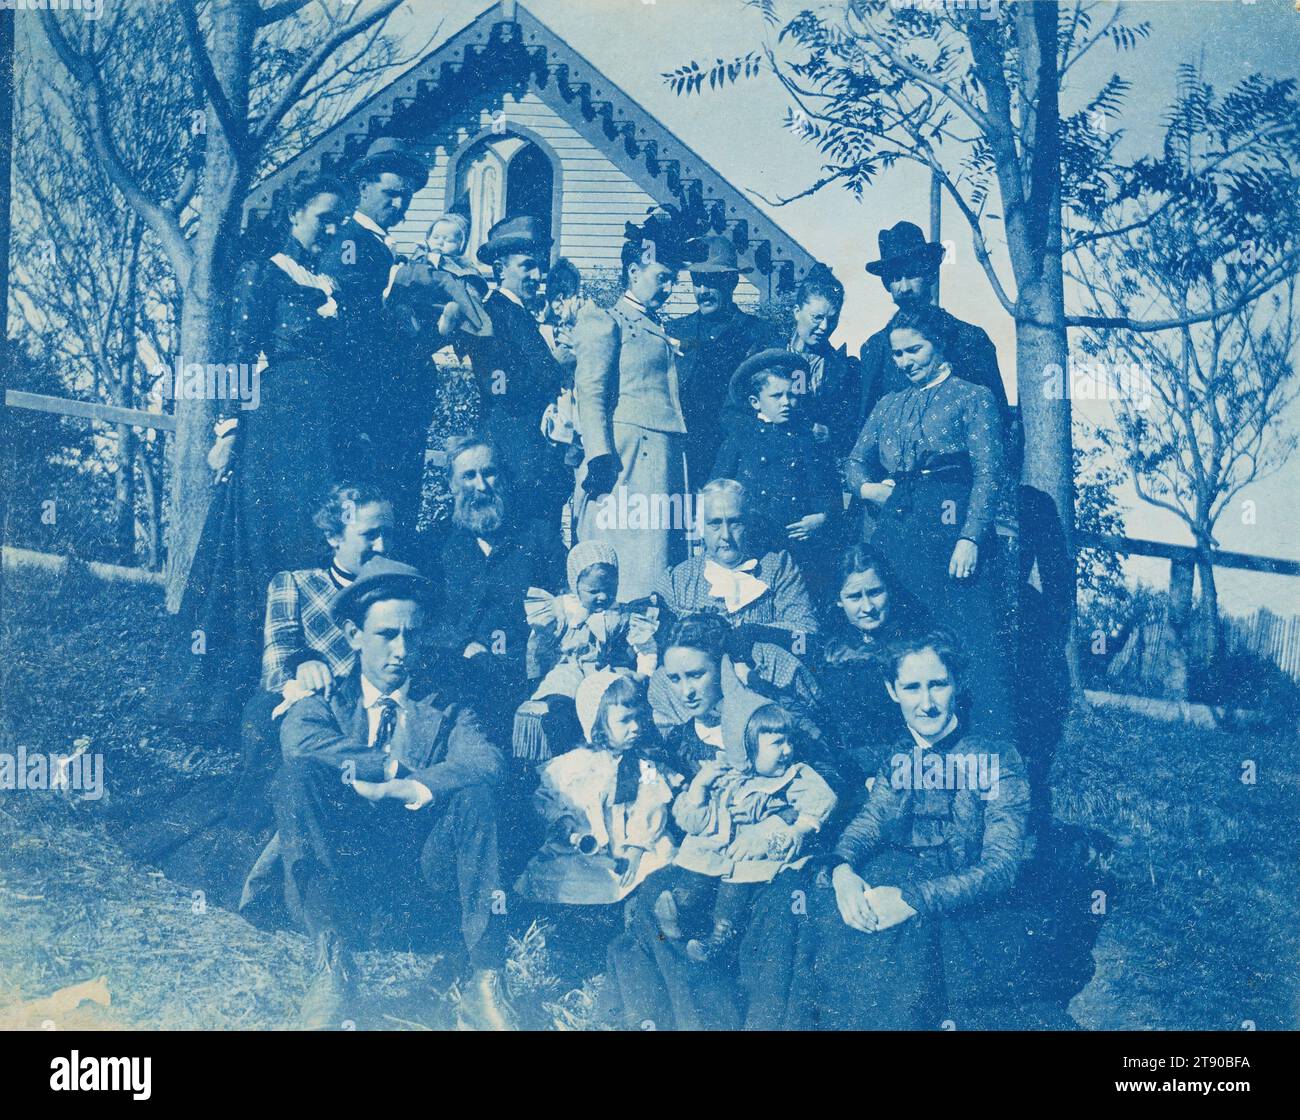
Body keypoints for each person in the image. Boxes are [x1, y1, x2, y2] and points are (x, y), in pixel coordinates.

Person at [273, 557, 515, 1031]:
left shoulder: (446, 706)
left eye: (413, 634)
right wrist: (386, 766)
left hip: (425, 873)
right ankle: (332, 965)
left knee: (476, 796)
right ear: (353, 636)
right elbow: (298, 742)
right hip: (348, 873)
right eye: (386, 634)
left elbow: (487, 763)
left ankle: (486, 976)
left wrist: (413, 785)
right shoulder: (327, 699)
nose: (402, 649)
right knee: (297, 777)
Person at [165, 176, 351, 731]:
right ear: (295, 214)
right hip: (276, 435)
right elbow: (239, 355)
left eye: (339, 219)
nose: (334, 229)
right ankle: (245, 697)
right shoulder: (265, 272)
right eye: (324, 218)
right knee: (269, 548)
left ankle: (314, 689)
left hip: (322, 435)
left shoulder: (328, 283)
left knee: (313, 543)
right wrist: (227, 430)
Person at [802, 629, 1031, 1030]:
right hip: (899, 884)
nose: (926, 704)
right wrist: (842, 871)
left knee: (892, 957)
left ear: (957, 685)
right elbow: (870, 822)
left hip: (964, 908)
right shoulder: (900, 758)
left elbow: (1001, 868)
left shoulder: (996, 759)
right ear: (893, 691)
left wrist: (912, 900)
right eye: (912, 688)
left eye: (938, 685)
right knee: (822, 917)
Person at [845, 303, 1015, 736]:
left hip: (951, 530)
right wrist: (868, 489)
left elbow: (990, 473)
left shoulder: (973, 397)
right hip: (897, 533)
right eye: (898, 355)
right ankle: (899, 745)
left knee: (966, 640)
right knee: (899, 637)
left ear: (939, 345)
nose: (905, 362)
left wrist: (972, 537)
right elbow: (854, 462)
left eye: (914, 350)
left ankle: (984, 747)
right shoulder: (888, 404)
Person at [317, 138, 437, 523]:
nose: (399, 205)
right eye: (390, 194)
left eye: (407, 197)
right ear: (364, 187)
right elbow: (353, 315)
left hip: (395, 404)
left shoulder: (381, 246)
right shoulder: (351, 242)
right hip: (368, 404)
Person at [573, 209, 691, 600]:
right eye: (662, 278)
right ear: (634, 272)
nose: (669, 289)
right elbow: (589, 392)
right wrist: (599, 455)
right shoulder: (607, 322)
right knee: (627, 552)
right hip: (626, 457)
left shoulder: (659, 329)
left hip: (664, 456)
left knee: (660, 556)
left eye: (674, 280)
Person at [667, 697, 836, 963]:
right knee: (696, 869)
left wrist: (799, 827)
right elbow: (696, 822)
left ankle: (719, 940)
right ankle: (679, 912)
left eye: (788, 741)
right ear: (747, 749)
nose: (787, 750)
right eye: (777, 743)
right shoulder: (728, 778)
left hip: (756, 854)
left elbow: (821, 798)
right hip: (720, 848)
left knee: (734, 890)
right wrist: (699, 789)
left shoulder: (791, 776)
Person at [420, 436, 564, 725]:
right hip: (456, 677)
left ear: (503, 477)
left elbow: (566, 596)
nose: (481, 486)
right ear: (451, 484)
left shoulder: (538, 537)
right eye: (469, 475)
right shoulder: (433, 545)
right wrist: (463, 645)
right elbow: (423, 614)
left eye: (489, 472)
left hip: (528, 680)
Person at [516, 670, 682, 906]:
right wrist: (563, 820)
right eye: (625, 720)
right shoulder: (575, 764)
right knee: (558, 873)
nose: (635, 727)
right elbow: (548, 799)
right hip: (588, 849)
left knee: (659, 861)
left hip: (631, 844)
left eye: (637, 718)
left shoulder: (642, 765)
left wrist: (636, 847)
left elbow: (651, 806)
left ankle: (640, 902)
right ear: (597, 724)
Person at [459, 215, 571, 524]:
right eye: (526, 266)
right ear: (500, 269)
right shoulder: (489, 315)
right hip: (509, 449)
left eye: (538, 267)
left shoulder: (521, 315)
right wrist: (555, 366)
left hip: (534, 452)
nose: (537, 275)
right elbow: (497, 386)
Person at [858, 221, 1012, 435]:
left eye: (912, 274)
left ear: (930, 274)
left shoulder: (970, 339)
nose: (904, 287)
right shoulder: (875, 348)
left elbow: (999, 421)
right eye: (894, 278)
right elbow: (865, 427)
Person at [513, 539, 658, 762]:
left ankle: (610, 754)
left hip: (604, 669)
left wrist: (644, 673)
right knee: (559, 702)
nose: (602, 597)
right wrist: (534, 675)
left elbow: (645, 645)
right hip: (569, 668)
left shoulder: (622, 614)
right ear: (575, 585)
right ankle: (563, 745)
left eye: (609, 590)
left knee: (613, 702)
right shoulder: (562, 609)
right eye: (593, 591)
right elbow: (537, 642)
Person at [654, 480, 819, 671]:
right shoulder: (677, 579)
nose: (726, 535)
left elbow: (806, 637)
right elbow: (658, 649)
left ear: (749, 524)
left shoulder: (778, 568)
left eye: (735, 523)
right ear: (700, 528)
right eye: (715, 523)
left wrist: (754, 634)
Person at [710, 351, 842, 589]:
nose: (786, 403)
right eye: (776, 395)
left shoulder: (808, 440)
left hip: (799, 545)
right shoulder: (740, 439)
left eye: (791, 395)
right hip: (753, 541)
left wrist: (822, 518)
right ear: (755, 402)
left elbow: (828, 489)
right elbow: (716, 490)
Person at [818, 543, 931, 799]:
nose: (868, 607)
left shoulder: (914, 645)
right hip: (853, 772)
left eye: (876, 592)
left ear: (889, 590)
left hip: (911, 765)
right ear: (838, 600)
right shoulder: (833, 652)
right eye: (855, 597)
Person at [671, 234, 777, 488]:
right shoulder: (676, 331)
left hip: (739, 458)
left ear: (732, 281)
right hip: (686, 459)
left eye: (711, 282)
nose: (703, 291)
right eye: (698, 282)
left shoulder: (759, 334)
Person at [785, 264, 862, 460]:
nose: (824, 327)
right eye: (817, 317)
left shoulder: (845, 370)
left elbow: (855, 426)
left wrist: (832, 434)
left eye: (832, 319)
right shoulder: (768, 356)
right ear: (796, 311)